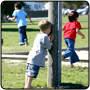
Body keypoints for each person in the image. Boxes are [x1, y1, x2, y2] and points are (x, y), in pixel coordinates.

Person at [25, 20, 54, 89]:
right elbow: (49, 47)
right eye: (50, 29)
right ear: (47, 29)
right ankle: (28, 86)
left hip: (31, 55)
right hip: (36, 57)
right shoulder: (45, 36)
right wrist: (50, 41)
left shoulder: (38, 35)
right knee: (31, 73)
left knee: (28, 72)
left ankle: (27, 85)